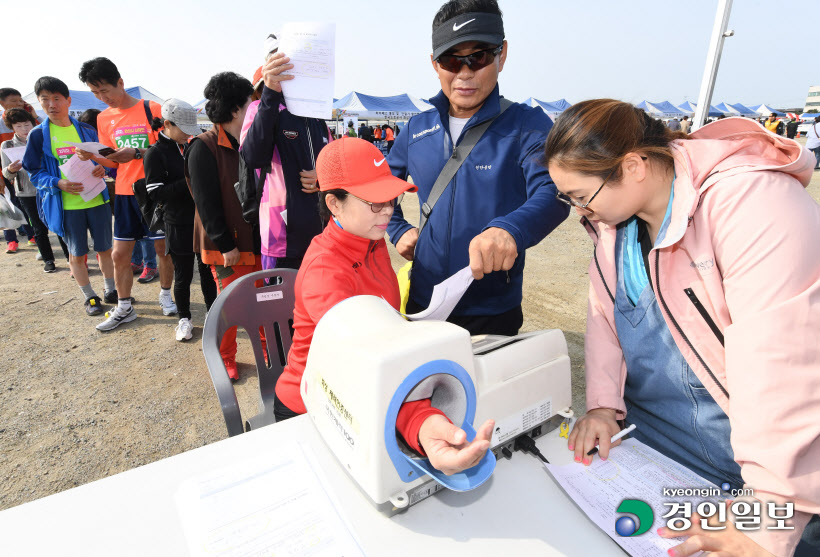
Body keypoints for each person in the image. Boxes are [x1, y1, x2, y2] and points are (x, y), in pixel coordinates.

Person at [545, 99, 820, 557]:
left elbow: (784, 370)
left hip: (776, 475)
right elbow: (606, 320)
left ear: (633, 166)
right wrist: (601, 407)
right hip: (665, 459)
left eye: (581, 197)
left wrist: (771, 517)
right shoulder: (616, 229)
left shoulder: (753, 204)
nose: (580, 212)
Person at [274, 137, 494, 475]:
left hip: (361, 394)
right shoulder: (326, 271)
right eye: (375, 203)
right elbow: (359, 370)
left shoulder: (369, 240)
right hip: (315, 407)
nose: (389, 211)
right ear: (334, 204)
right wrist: (421, 423)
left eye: (390, 199)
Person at [387, 0, 569, 336]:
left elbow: (554, 192)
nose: (465, 72)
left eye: (479, 56)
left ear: (502, 55)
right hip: (424, 303)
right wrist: (397, 230)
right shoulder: (416, 129)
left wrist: (510, 229)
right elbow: (380, 185)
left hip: (492, 308)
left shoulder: (527, 125)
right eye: (452, 60)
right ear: (434, 63)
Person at [77, 57, 177, 331]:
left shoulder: (152, 108)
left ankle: (167, 295)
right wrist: (93, 156)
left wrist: (137, 153)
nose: (102, 98)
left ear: (121, 82)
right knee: (120, 255)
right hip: (123, 193)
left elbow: (175, 150)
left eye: (105, 90)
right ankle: (124, 306)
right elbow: (112, 162)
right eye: (96, 93)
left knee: (162, 249)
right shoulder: (104, 118)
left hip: (154, 190)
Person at [185, 72, 262, 377]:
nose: (254, 109)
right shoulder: (203, 146)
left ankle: (268, 350)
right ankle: (226, 357)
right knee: (229, 305)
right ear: (235, 109)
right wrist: (224, 243)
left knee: (262, 300)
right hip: (226, 245)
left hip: (255, 240)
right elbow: (204, 203)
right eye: (249, 104)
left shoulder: (249, 142)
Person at [22, 77, 116, 316]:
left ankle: (110, 289)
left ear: (68, 100)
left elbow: (105, 159)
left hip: (97, 199)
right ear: (40, 103)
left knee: (105, 249)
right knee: (77, 253)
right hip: (66, 205)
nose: (51, 104)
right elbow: (34, 171)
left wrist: (102, 168)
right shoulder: (38, 135)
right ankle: (90, 297)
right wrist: (57, 182)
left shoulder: (85, 129)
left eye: (56, 98)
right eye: (45, 99)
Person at [240, 36, 332, 271]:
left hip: (322, 234)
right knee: (280, 306)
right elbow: (252, 157)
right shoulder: (258, 109)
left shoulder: (316, 113)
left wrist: (323, 176)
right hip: (279, 238)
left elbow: (333, 161)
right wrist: (270, 94)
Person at [144, 98, 217, 341]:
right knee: (183, 274)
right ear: (167, 124)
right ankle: (184, 318)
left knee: (207, 270)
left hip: (201, 218)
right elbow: (154, 191)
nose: (188, 135)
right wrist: (190, 182)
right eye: (184, 130)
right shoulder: (155, 153)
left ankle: (212, 314)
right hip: (176, 221)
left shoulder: (192, 144)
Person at [1, 108, 66, 271]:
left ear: (33, 123)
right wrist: (11, 169)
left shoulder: (43, 138)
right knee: (38, 228)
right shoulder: (7, 145)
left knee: (59, 224)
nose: (24, 129)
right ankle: (48, 260)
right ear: (12, 128)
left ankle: (71, 258)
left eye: (27, 124)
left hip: (48, 188)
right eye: (19, 126)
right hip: (27, 192)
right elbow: (6, 173)